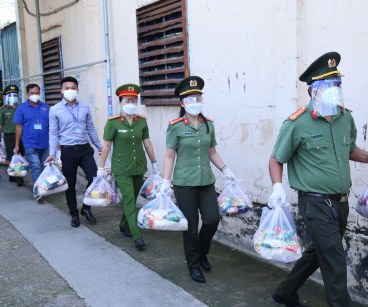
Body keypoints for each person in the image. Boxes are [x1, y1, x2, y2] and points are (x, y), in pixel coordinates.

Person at [268, 52, 368, 307]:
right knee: (334, 260)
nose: (335, 91)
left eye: (337, 85)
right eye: (328, 86)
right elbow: (276, 159)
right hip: (315, 203)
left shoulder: (346, 118)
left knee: (319, 252)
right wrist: (277, 186)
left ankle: (285, 291)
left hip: (341, 203)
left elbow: (349, 149)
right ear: (313, 91)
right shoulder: (297, 123)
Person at [161, 76, 236, 283]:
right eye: (190, 98)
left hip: (206, 181)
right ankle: (193, 264)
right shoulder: (175, 126)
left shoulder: (208, 125)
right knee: (190, 225)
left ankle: (202, 252)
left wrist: (225, 170)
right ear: (182, 103)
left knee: (212, 219)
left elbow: (212, 151)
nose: (195, 101)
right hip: (184, 183)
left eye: (198, 97)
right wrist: (166, 182)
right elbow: (169, 156)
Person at [98, 83, 158, 249]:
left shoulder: (142, 122)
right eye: (127, 100)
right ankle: (137, 236)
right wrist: (101, 167)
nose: (131, 103)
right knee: (130, 199)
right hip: (121, 168)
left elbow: (147, 142)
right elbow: (107, 146)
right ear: (121, 102)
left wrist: (154, 163)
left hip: (139, 166)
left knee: (132, 198)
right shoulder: (113, 122)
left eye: (134, 100)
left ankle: (124, 224)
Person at [45, 76, 103, 227]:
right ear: (61, 91)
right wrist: (52, 153)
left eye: (73, 88)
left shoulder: (84, 107)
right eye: (66, 88)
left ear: (77, 90)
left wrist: (99, 146)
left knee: (94, 178)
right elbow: (53, 133)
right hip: (67, 151)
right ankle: (74, 213)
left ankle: (86, 207)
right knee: (70, 184)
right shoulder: (55, 110)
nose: (70, 91)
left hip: (85, 150)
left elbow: (90, 128)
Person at [13, 83, 50, 201]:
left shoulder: (46, 107)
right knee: (36, 167)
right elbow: (19, 127)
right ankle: (39, 191)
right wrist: (17, 145)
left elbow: (52, 126)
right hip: (29, 143)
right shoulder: (22, 108)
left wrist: (56, 142)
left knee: (44, 167)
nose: (35, 95)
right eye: (32, 93)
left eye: (37, 93)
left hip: (45, 143)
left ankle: (43, 187)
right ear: (27, 94)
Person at [0, 85, 25, 185]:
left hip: (22, 136)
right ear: (6, 96)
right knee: (12, 155)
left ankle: (13, 175)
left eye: (15, 94)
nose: (13, 97)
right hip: (9, 136)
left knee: (21, 154)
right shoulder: (3, 110)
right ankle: (19, 178)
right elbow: (0, 125)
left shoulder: (22, 108)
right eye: (10, 95)